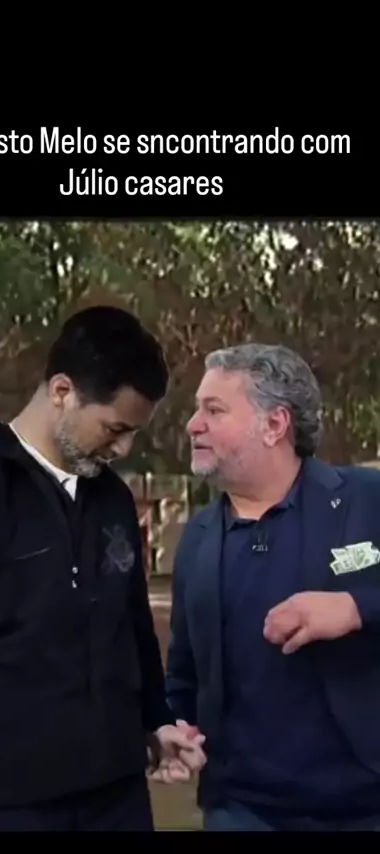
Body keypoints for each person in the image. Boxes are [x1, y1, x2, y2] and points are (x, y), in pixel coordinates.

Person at [0, 305, 205, 832]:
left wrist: (155, 722)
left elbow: (132, 628)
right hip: (11, 808)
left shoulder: (113, 501)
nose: (124, 448)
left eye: (133, 432)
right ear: (63, 391)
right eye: (115, 428)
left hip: (119, 799)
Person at [165, 342, 380, 832]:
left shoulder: (368, 501)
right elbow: (185, 672)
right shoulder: (197, 538)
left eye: (214, 410)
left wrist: (356, 607)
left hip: (366, 807)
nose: (193, 424)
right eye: (197, 409)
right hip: (241, 811)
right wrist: (172, 726)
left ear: (275, 424)